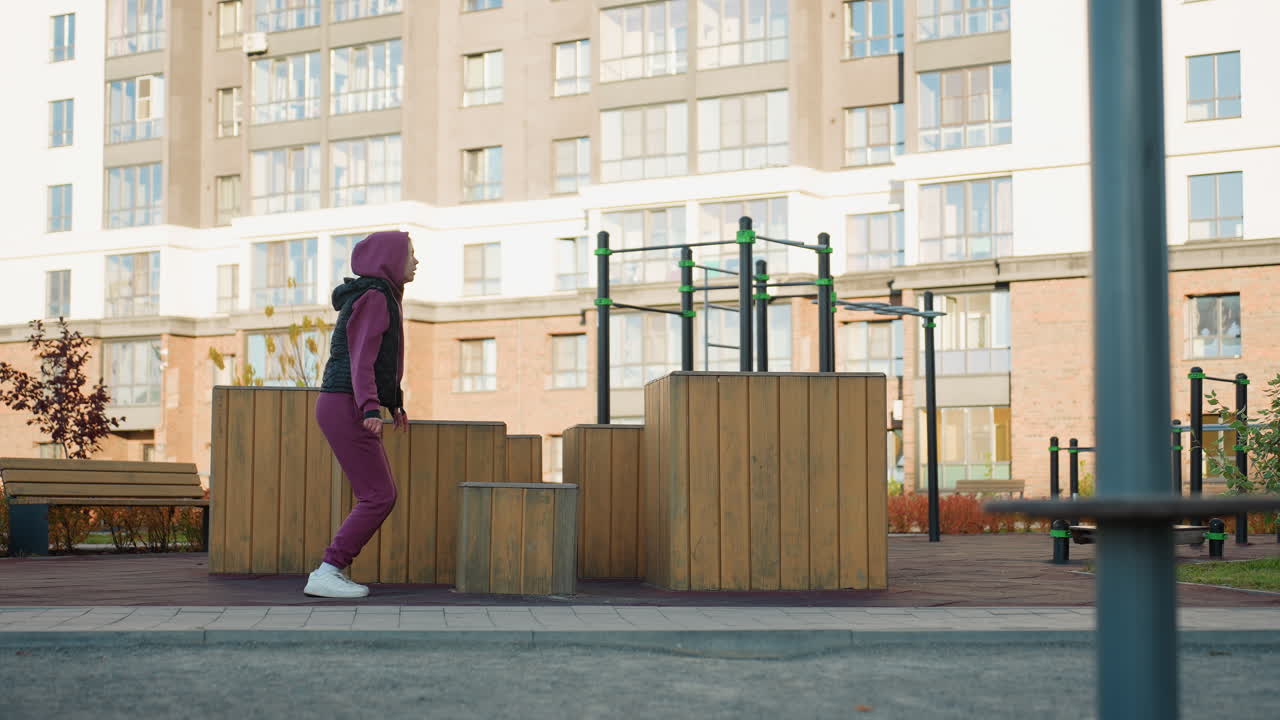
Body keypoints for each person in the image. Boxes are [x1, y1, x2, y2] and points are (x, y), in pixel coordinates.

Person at [304, 230, 419, 598]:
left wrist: (392, 402)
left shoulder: (378, 295)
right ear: (390, 259)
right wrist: (370, 406)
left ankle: (331, 569)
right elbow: (361, 356)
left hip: (344, 402)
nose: (416, 262)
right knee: (378, 495)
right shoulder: (374, 296)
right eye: (411, 255)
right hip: (345, 402)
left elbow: (382, 358)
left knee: (377, 493)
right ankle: (328, 570)